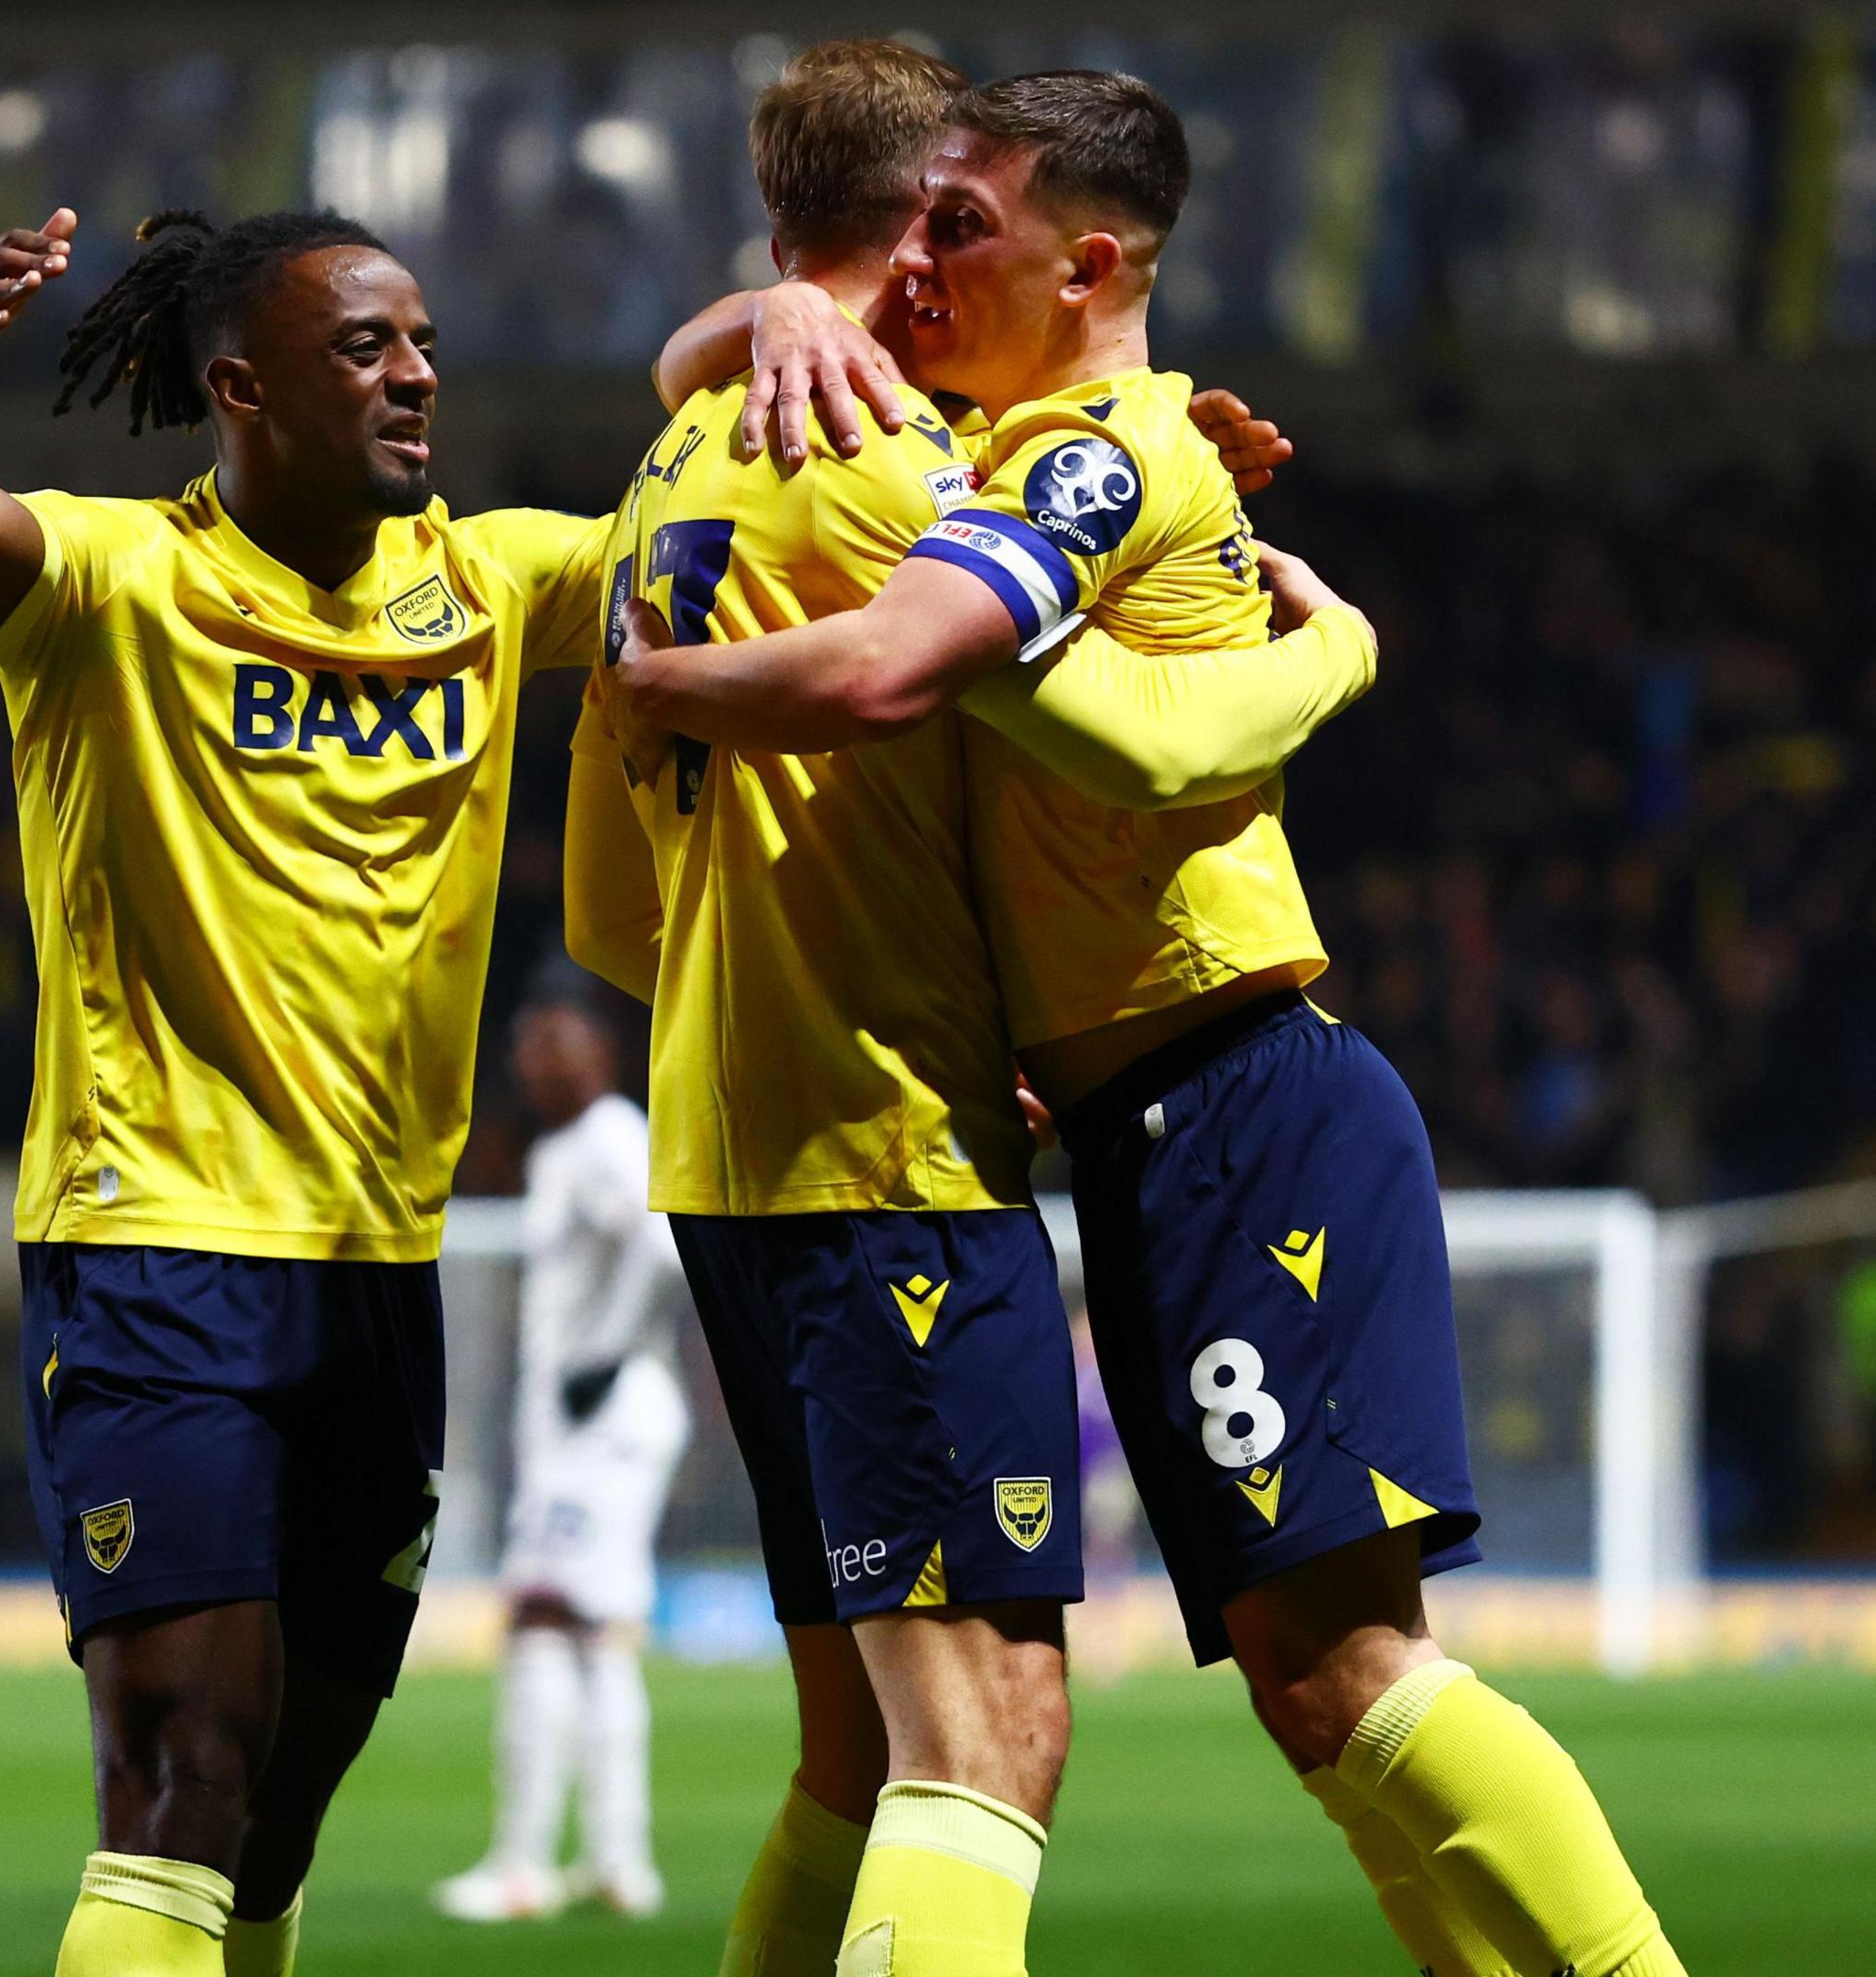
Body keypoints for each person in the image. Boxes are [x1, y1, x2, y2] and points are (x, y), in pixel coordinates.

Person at [617, 67, 1687, 1977]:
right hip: (1127, 1125)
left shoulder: (1088, 460)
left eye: (965, 227)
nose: (921, 266)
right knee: (1298, 1693)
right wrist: (763, 308)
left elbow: (1096, 721)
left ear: (1087, 258)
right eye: (908, 226)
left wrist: (1338, 650)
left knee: (1341, 1678)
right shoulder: (975, 441)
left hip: (1239, 1095)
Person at [573, 42, 1387, 1977]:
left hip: (722, 1137)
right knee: (988, 1741)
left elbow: (612, 920)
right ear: (920, 233)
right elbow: (1148, 737)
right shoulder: (912, 466)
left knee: (853, 1754)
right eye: (946, 219)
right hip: (889, 1147)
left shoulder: (674, 457)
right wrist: (1314, 623)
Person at [0, 204, 611, 1977]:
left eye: (421, 341)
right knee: (182, 1770)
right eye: (365, 347)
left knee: (281, 1795)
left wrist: (774, 346)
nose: (416, 372)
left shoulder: (493, 582)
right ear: (241, 386)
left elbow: (722, 542)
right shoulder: (113, 587)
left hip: (378, 1272)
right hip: (158, 1252)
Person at [433, 972, 686, 1924]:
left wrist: (602, 1358)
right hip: (600, 1422)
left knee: (543, 1621)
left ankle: (522, 1866)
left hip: (601, 1421)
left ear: (602, 1051)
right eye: (527, 1047)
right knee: (591, 1633)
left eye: (556, 1042)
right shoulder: (566, 1149)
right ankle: (620, 1863)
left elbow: (662, 1247)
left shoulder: (610, 1139)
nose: (536, 1062)